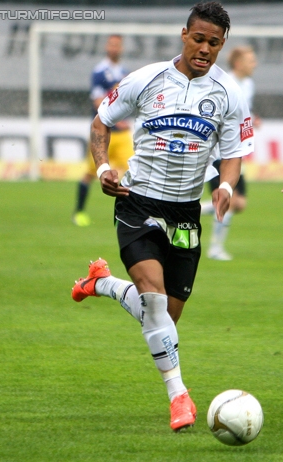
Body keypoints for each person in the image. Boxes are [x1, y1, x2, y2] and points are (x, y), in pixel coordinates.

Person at [70, 2, 253, 431]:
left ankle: (103, 283)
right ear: (184, 34)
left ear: (222, 45)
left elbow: (234, 154)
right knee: (153, 298)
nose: (205, 48)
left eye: (214, 42)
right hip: (138, 201)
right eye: (198, 38)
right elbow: (101, 122)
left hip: (186, 211)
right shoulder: (145, 79)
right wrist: (102, 169)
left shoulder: (229, 95)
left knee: (165, 315)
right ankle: (180, 396)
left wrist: (225, 186)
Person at [201, 45, 259, 260]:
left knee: (239, 203)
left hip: (235, 153)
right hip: (219, 153)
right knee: (228, 201)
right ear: (237, 63)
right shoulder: (226, 84)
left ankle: (193, 210)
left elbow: (243, 112)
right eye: (250, 60)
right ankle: (215, 249)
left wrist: (253, 118)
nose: (254, 64)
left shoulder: (249, 85)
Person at [72, 35, 133, 227]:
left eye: (117, 45)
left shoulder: (125, 72)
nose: (114, 48)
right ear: (107, 47)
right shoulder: (99, 72)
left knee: (136, 171)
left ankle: (132, 216)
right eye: (111, 44)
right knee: (91, 174)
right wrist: (118, 119)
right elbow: (98, 102)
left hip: (122, 136)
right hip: (103, 133)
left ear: (121, 48)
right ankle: (79, 212)